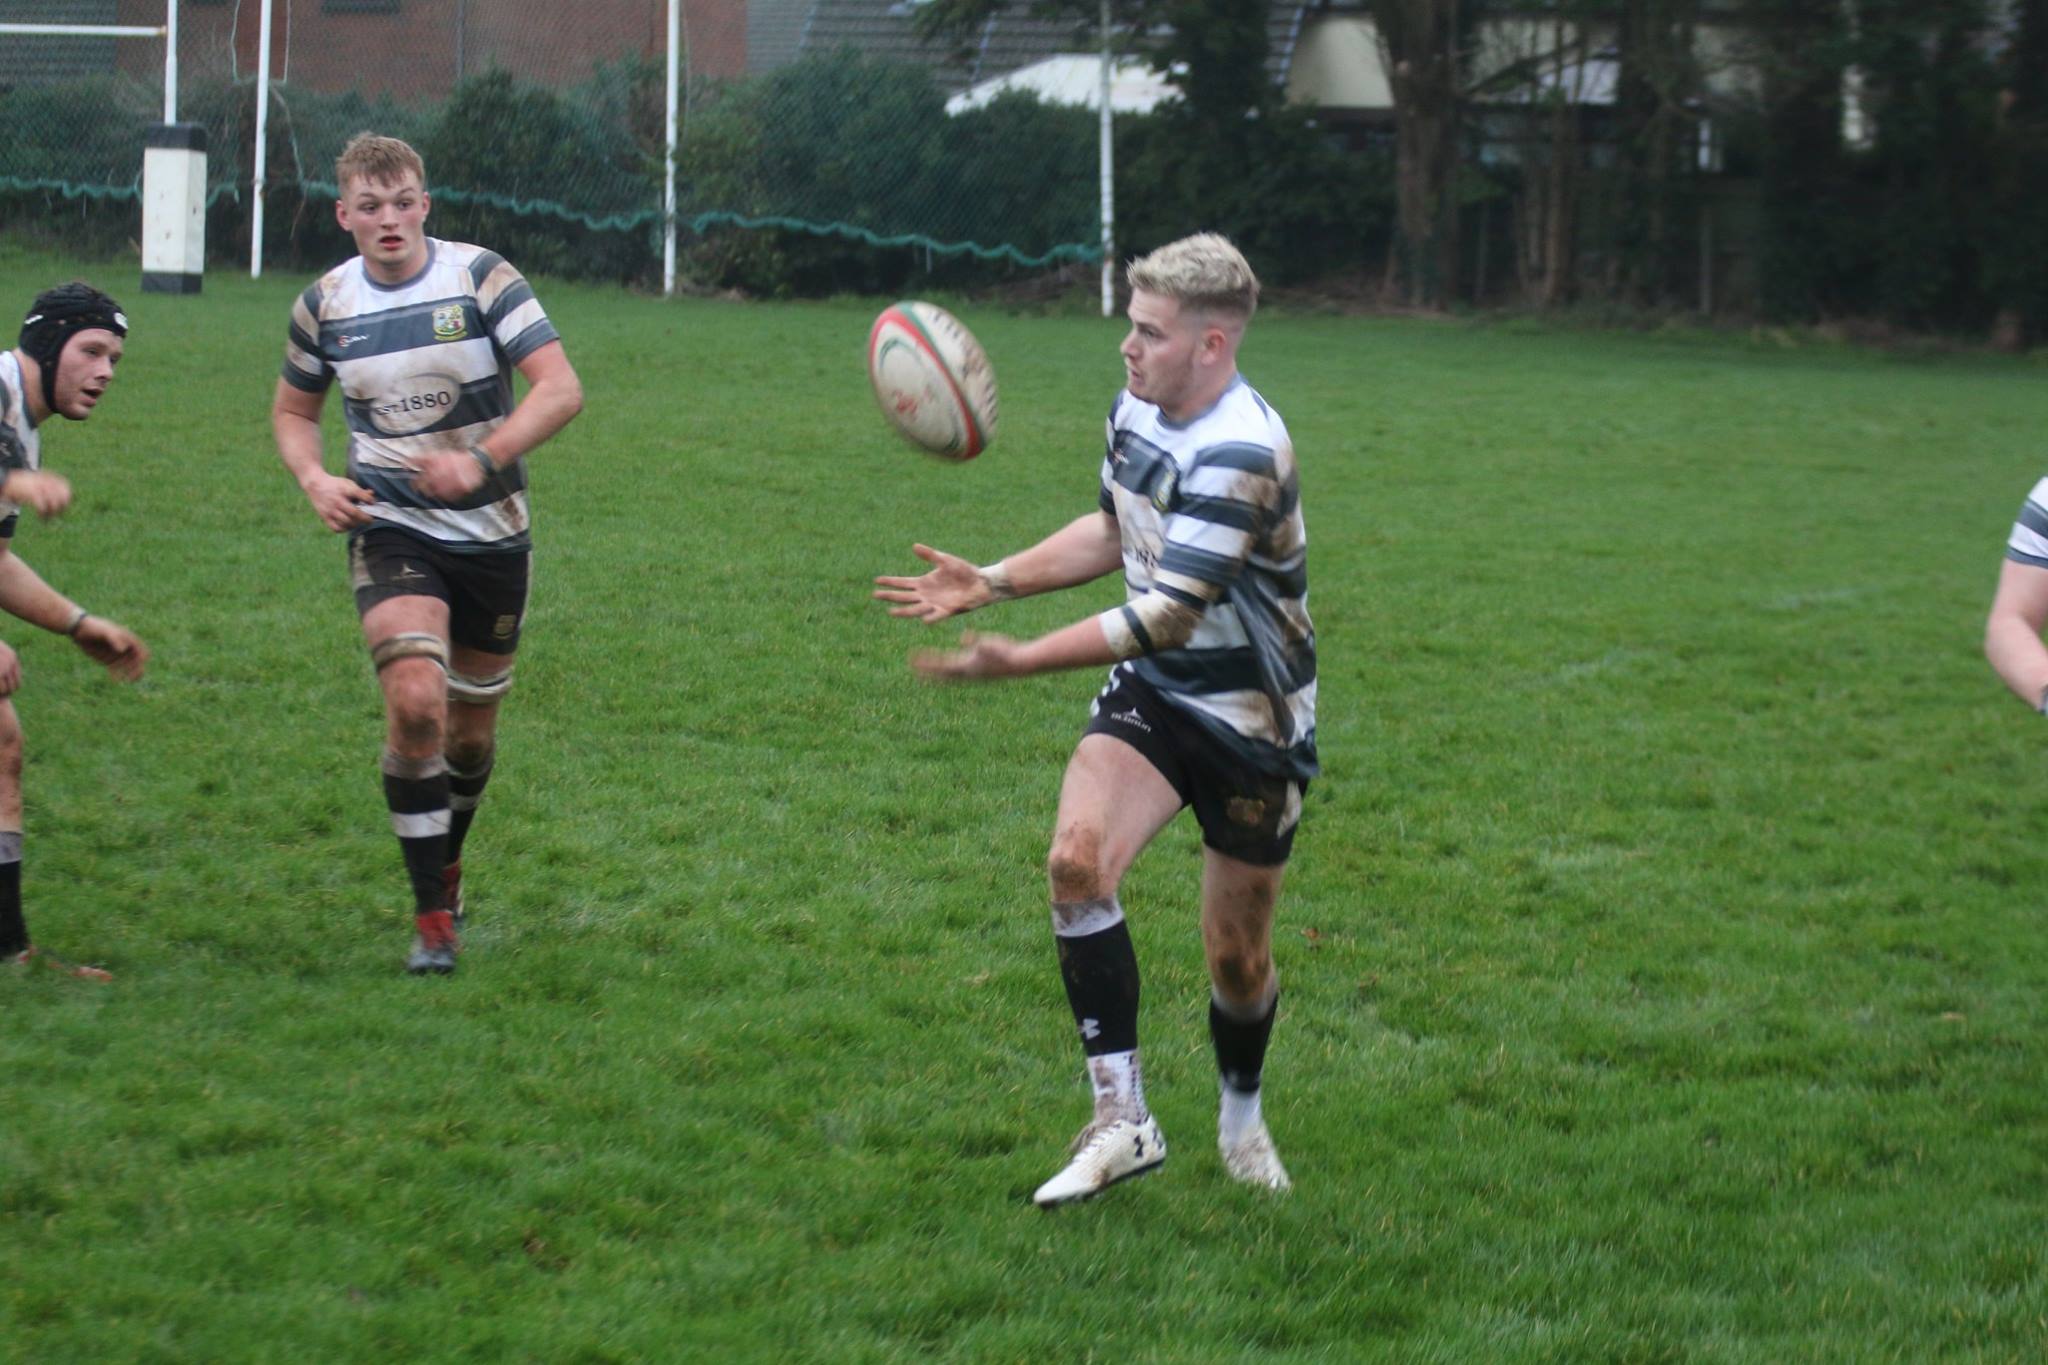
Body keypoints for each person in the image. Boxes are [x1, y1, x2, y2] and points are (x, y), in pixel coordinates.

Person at [873, 234, 1316, 1206]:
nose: (1127, 346)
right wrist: (992, 582)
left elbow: (1165, 614)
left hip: (1251, 721)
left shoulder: (1241, 450)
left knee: (1237, 959)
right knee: (1076, 862)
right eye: (1131, 324)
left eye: (1149, 332)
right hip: (1155, 693)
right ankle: (1122, 1118)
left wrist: (1020, 658)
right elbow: (1115, 529)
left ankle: (1240, 1117)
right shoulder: (1135, 408)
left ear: (1211, 345)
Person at [271, 133, 583, 975]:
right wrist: (313, 478)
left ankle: (447, 862)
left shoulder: (481, 278)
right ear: (344, 215)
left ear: (425, 205)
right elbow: (295, 412)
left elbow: (561, 388)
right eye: (371, 206)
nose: (390, 219)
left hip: (493, 532)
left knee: (470, 739)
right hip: (391, 526)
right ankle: (431, 918)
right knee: (416, 703)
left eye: (403, 202)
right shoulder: (324, 304)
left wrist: (480, 459)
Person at [0, 283, 150, 980]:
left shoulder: (19, 419)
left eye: (114, 358)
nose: (104, 372)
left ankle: (10, 952)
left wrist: (77, 624)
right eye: (90, 351)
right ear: (47, 343)